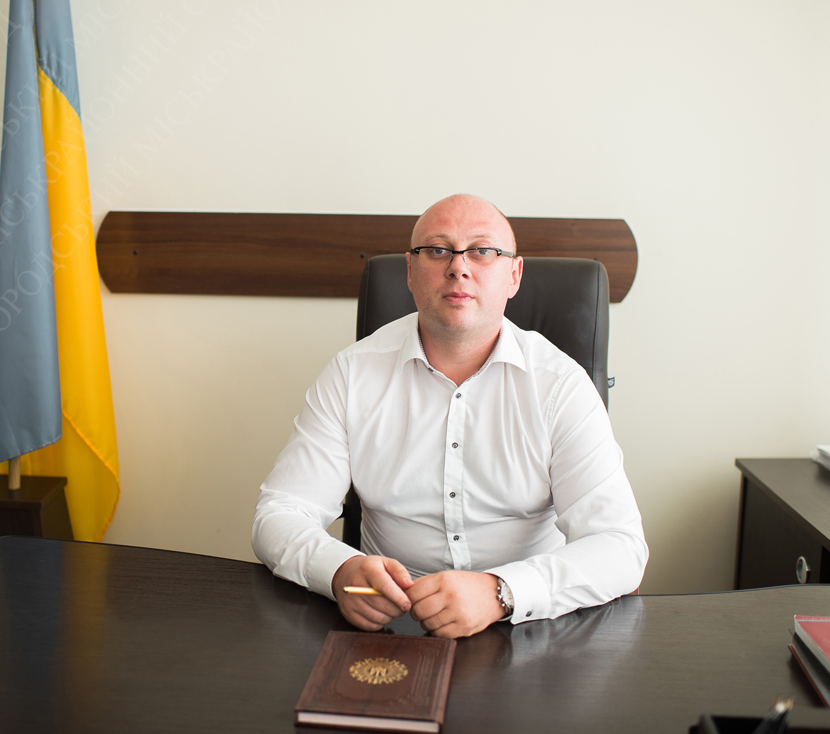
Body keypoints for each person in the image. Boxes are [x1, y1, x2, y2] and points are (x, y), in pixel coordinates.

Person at [252, 194, 647, 639]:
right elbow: (280, 514)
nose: (459, 267)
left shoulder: (560, 385)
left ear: (513, 275)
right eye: (438, 250)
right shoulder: (351, 374)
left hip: (530, 622)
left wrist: (500, 592)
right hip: (391, 622)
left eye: (483, 251)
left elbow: (620, 547)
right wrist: (338, 569)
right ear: (409, 271)